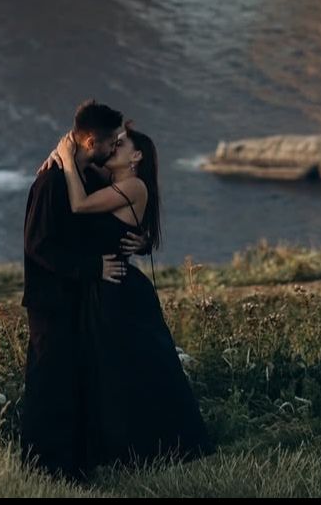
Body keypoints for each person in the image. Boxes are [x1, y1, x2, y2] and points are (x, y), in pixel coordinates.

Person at [49, 121, 213, 469]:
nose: (113, 147)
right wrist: (59, 155)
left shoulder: (134, 186)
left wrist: (65, 158)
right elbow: (85, 156)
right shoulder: (110, 181)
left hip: (122, 290)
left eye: (121, 144)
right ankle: (120, 450)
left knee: (137, 368)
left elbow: (79, 204)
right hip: (105, 286)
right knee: (113, 369)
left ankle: (158, 446)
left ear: (136, 156)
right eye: (113, 142)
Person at [20, 99, 144, 478]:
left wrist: (141, 241)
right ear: (92, 142)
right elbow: (38, 246)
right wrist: (93, 267)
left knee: (73, 382)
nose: (113, 148)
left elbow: (116, 217)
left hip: (77, 296)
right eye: (111, 143)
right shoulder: (52, 181)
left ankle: (75, 467)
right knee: (49, 382)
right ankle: (44, 469)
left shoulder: (85, 176)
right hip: (50, 301)